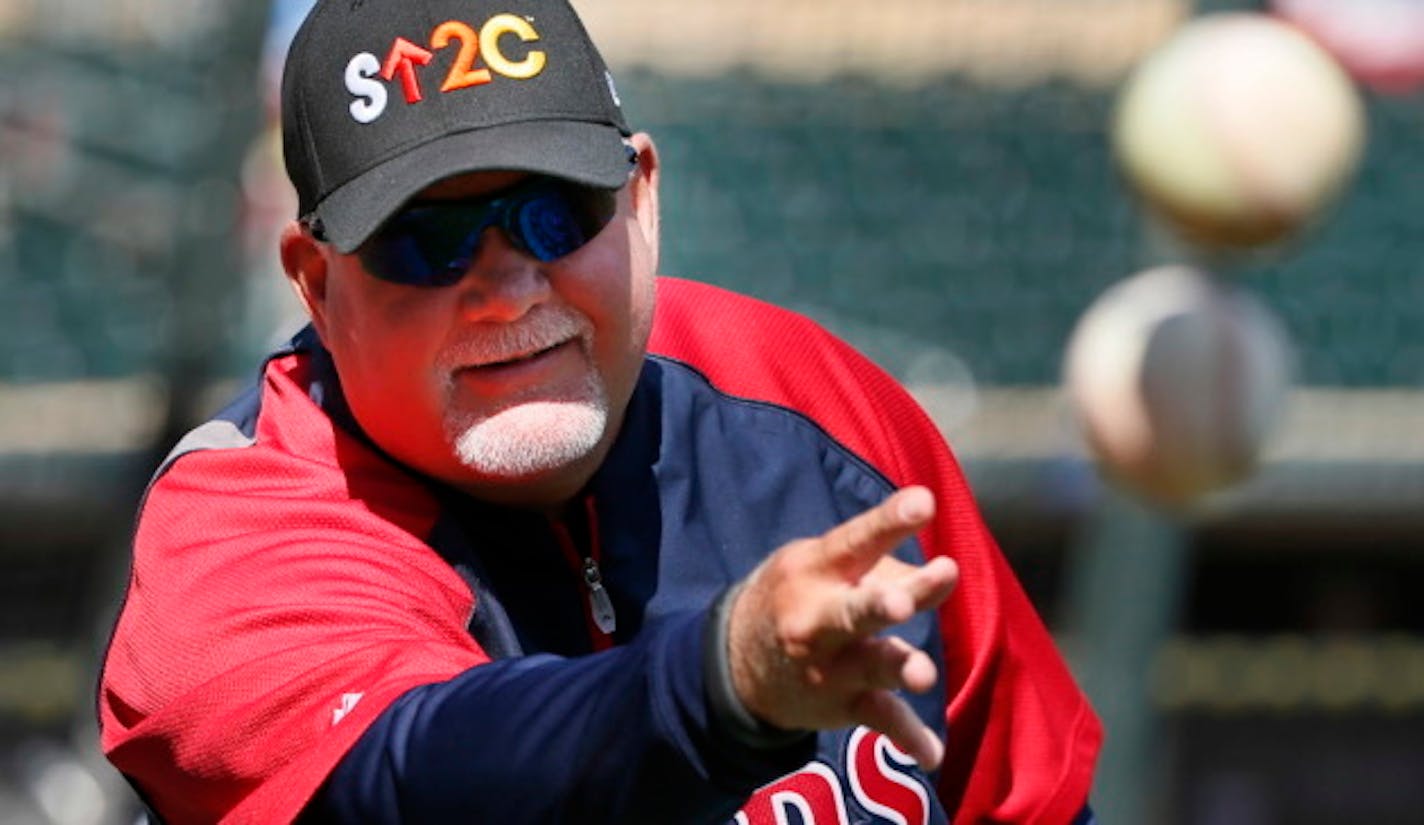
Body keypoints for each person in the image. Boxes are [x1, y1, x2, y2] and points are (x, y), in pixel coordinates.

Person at [97, 0, 1102, 822]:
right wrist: (720, 685)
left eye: (553, 212)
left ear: (640, 200)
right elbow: (415, 778)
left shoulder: (807, 405)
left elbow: (1028, 797)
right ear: (316, 283)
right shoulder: (240, 528)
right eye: (426, 241)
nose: (508, 289)